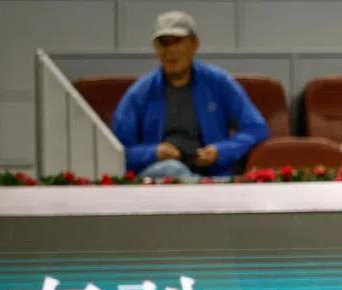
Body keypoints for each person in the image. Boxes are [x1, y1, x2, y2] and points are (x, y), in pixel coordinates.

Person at [113, 10, 269, 180]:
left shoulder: (218, 82)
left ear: (194, 44)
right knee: (173, 169)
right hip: (159, 179)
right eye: (164, 44)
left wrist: (220, 151)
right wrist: (153, 153)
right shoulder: (139, 93)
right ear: (155, 48)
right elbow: (117, 151)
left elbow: (256, 128)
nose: (171, 50)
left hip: (213, 174)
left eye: (178, 42)